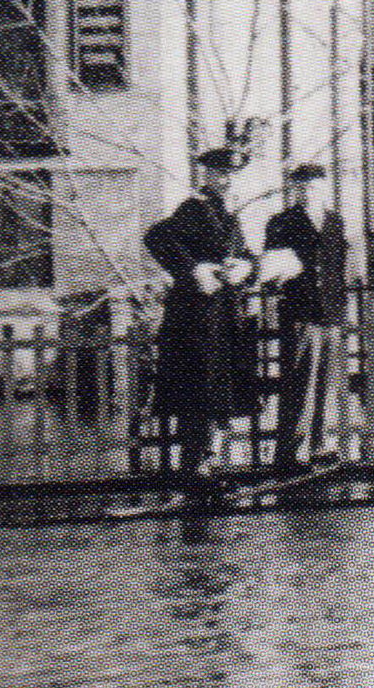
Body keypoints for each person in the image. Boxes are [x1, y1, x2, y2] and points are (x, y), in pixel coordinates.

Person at [144, 146, 259, 485]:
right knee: (199, 389)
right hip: (194, 319)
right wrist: (194, 271)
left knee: (219, 388)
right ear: (207, 175)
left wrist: (247, 267)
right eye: (221, 174)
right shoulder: (194, 209)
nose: (227, 181)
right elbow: (156, 237)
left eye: (232, 175)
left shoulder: (228, 214)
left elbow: (243, 254)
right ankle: (195, 467)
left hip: (223, 317)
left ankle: (210, 462)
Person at [264, 162, 349, 473]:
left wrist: (340, 312)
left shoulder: (334, 221)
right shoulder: (281, 223)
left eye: (312, 187)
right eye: (299, 188)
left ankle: (318, 445)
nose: (305, 193)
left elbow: (338, 268)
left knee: (325, 382)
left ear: (324, 188)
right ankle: (290, 452)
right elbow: (270, 270)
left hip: (330, 314)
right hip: (300, 314)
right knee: (299, 383)